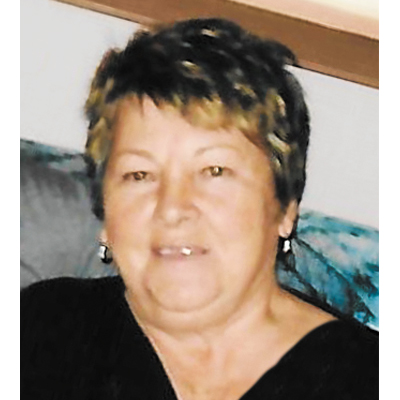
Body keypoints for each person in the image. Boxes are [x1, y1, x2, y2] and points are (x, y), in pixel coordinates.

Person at [21, 18, 378, 400]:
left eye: (214, 171)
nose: (173, 208)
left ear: (285, 207)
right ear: (105, 212)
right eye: (139, 175)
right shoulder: (37, 331)